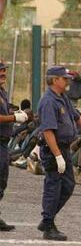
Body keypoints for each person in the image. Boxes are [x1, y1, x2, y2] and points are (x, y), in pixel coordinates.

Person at [37, 66, 81, 241]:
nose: (68, 81)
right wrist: (57, 156)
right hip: (53, 149)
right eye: (64, 79)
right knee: (53, 187)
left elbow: (75, 116)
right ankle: (48, 225)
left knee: (68, 185)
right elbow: (48, 131)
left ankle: (47, 219)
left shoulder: (62, 97)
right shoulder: (48, 101)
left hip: (64, 148)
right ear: (54, 80)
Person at [0, 62, 29, 231]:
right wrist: (14, 118)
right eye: (0, 71)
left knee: (2, 181)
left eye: (4, 71)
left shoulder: (2, 92)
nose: (3, 73)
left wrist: (15, 114)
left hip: (4, 143)